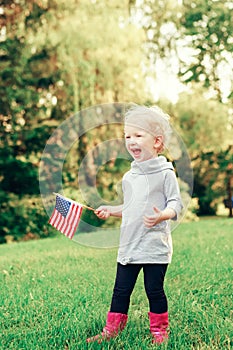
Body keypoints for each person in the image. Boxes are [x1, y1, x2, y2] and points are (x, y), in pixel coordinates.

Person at [86, 105, 183, 344]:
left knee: (154, 290)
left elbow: (176, 205)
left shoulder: (165, 173)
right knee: (121, 291)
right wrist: (111, 210)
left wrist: (162, 215)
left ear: (157, 142)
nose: (131, 141)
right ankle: (112, 330)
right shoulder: (129, 176)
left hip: (153, 246)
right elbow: (130, 209)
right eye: (127, 136)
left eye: (138, 135)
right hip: (130, 245)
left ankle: (160, 332)